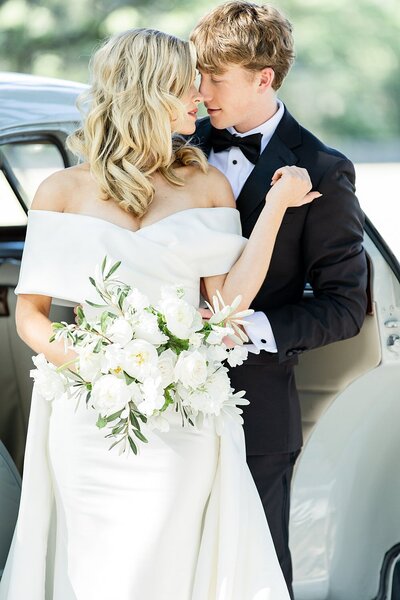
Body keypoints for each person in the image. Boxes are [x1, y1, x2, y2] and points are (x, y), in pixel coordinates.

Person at [0, 29, 320, 600]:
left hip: (182, 418)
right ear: (148, 95)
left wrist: (274, 208)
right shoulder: (60, 191)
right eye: (184, 87)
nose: (199, 97)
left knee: (167, 561)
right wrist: (101, 365)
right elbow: (32, 317)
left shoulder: (207, 185)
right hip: (88, 418)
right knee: (93, 567)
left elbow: (225, 308)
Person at [190, 2, 368, 597]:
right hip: (163, 401)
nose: (200, 88)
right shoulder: (175, 147)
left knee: (257, 573)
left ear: (263, 77)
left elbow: (346, 305)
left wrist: (254, 329)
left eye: (217, 75)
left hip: (257, 410)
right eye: (199, 72)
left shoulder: (322, 168)